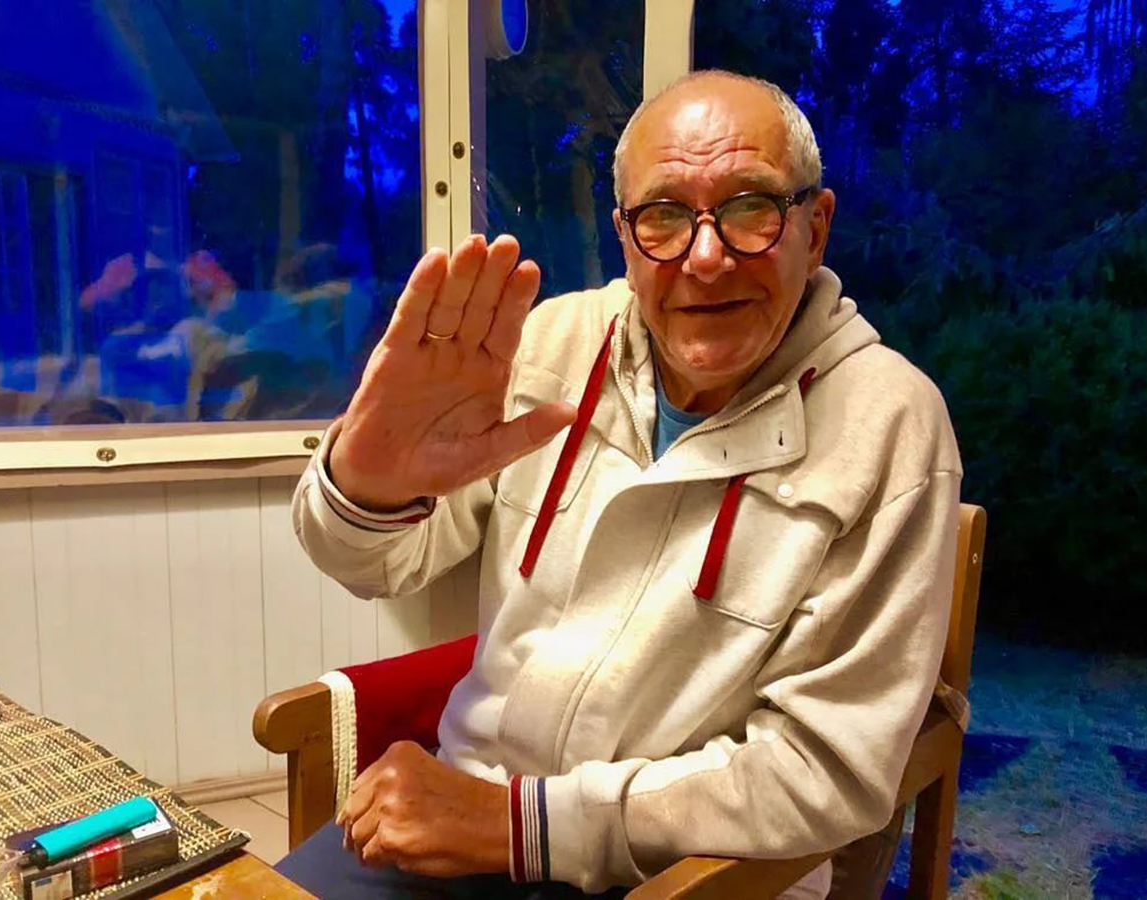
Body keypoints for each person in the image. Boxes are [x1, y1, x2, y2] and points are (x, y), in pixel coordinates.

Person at [285, 69, 962, 900]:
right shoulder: (549, 346)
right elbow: (376, 566)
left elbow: (826, 770)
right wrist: (367, 488)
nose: (705, 258)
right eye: (665, 215)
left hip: (691, 871)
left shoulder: (891, 425)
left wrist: (522, 826)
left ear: (814, 227)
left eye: (750, 206)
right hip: (466, 814)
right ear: (625, 236)